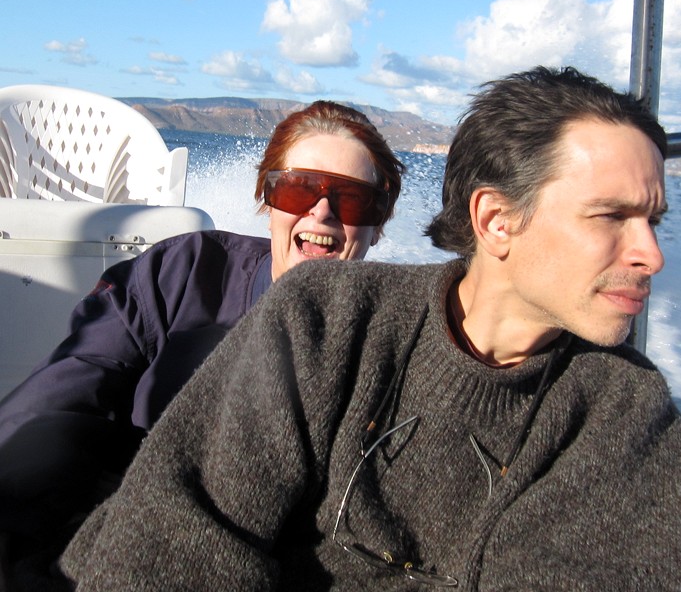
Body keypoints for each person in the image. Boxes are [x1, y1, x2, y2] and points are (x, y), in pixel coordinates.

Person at [59, 67, 681, 591]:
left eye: (653, 221)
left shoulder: (629, 422)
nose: (651, 255)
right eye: (611, 216)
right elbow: (179, 538)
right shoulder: (326, 319)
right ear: (496, 220)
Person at [0, 100, 404, 589]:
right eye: (298, 189)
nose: (321, 212)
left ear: (378, 225)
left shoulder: (394, 344)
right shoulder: (182, 274)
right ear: (267, 201)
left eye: (352, 199)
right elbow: (63, 397)